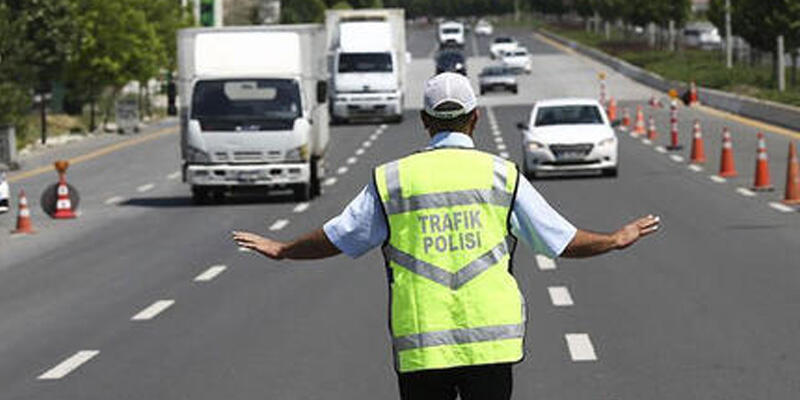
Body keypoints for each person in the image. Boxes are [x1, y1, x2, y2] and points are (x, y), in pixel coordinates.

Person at [233, 72, 660, 400]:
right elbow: (559, 241)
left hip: (422, 344)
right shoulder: (501, 176)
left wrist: (283, 249)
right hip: (492, 345)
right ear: (474, 119)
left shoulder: (393, 180)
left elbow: (340, 236)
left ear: (425, 121)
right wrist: (614, 239)